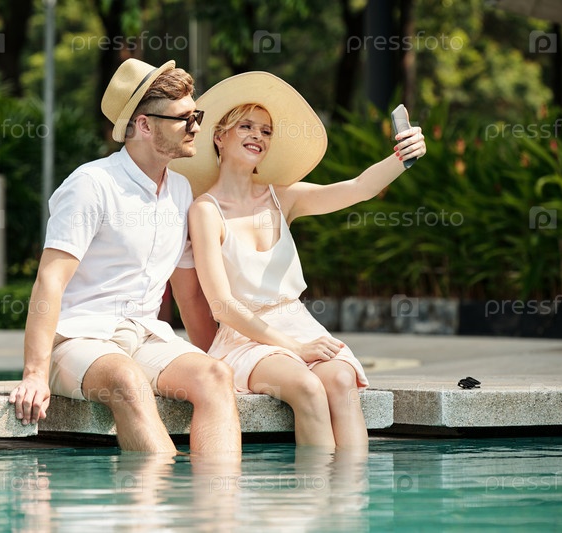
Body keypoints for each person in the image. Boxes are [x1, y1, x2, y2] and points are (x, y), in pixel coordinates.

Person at [171, 72, 427, 450]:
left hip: (299, 324)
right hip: (246, 338)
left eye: (266, 131)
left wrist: (402, 157)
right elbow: (222, 306)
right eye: (246, 126)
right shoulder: (205, 211)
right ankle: (313, 487)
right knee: (307, 386)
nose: (258, 136)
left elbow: (358, 188)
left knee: (341, 381)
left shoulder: (282, 197)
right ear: (219, 136)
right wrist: (293, 347)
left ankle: (353, 487)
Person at [8, 59, 242, 455]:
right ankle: (158, 488)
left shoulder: (181, 191)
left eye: (197, 116)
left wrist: (215, 357)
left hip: (145, 336)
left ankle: (218, 495)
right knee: (127, 380)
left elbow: (187, 294)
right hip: (79, 339)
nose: (197, 127)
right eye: (184, 118)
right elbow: (50, 280)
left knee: (217, 377)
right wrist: (34, 374)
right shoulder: (91, 185)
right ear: (145, 125)